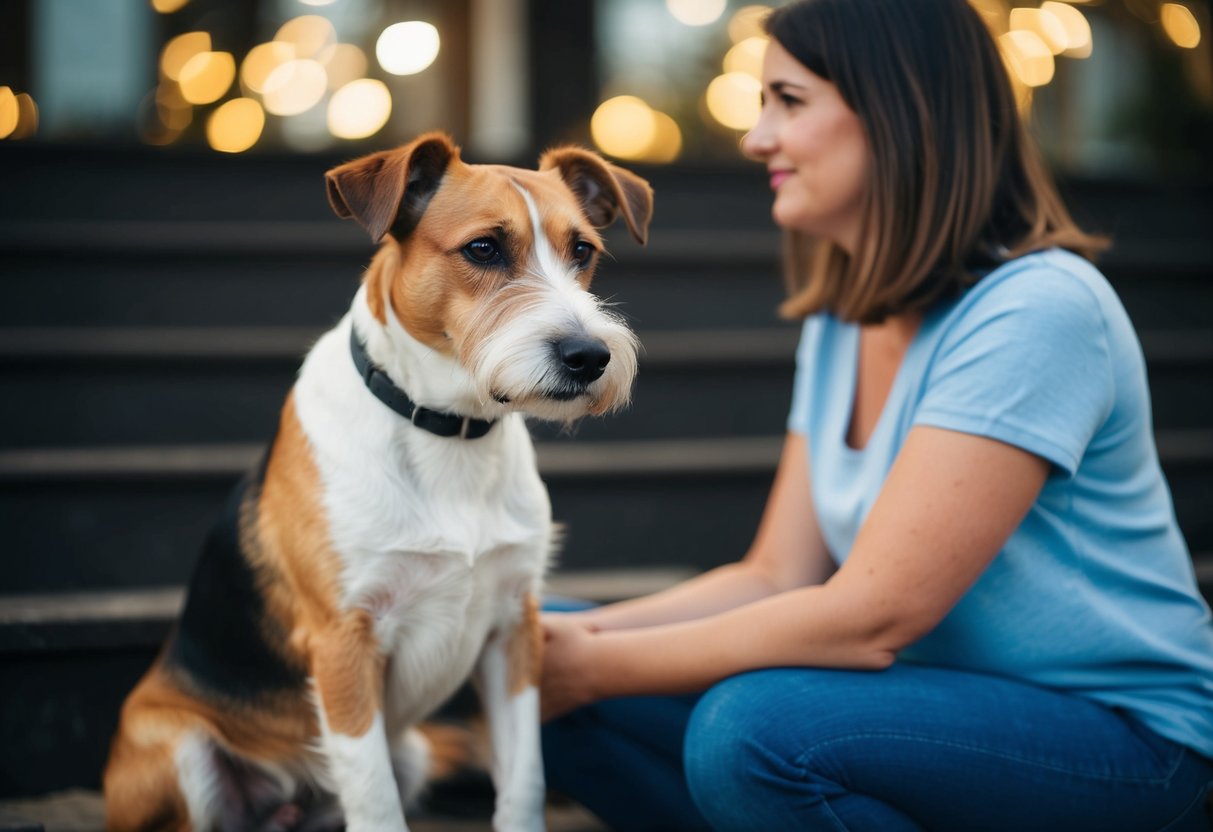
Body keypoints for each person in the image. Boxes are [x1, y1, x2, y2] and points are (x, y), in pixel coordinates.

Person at [537, 0, 1213, 829]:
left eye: (787, 100)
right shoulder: (843, 319)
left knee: (755, 731)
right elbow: (774, 575)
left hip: (1122, 744)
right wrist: (568, 648)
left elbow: (870, 616)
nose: (755, 139)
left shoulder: (1038, 309)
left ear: (898, 110)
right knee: (538, 643)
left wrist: (599, 668)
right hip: (930, 713)